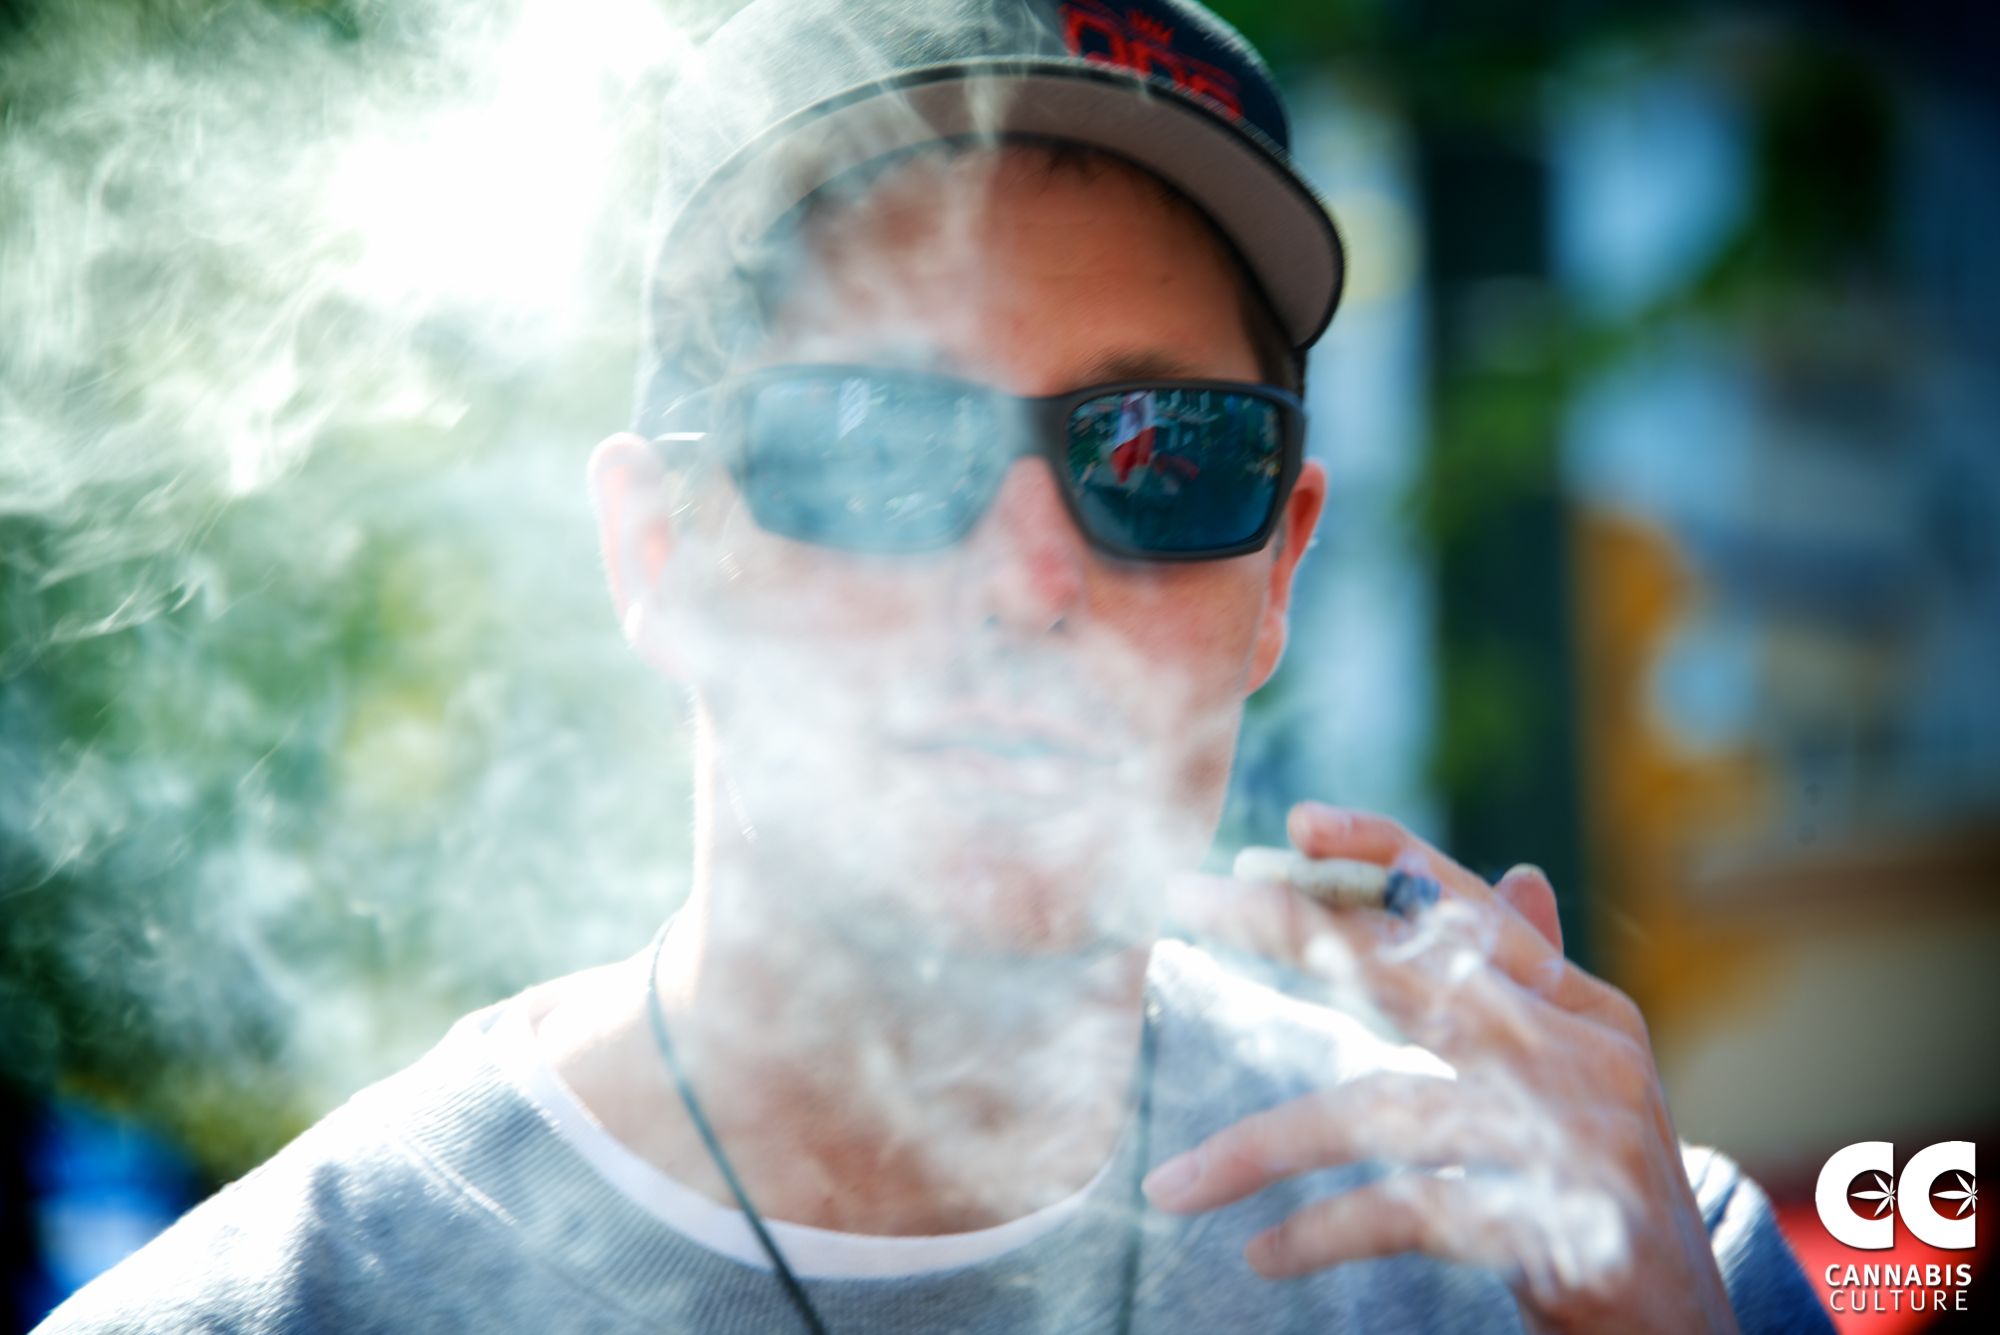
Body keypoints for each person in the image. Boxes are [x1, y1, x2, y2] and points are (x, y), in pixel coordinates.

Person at [39, 1, 1833, 1331]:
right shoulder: (266, 1315)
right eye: (878, 443)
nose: (1032, 577)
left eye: (1161, 453)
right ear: (660, 554)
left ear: (1276, 568)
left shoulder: (1602, 1267)